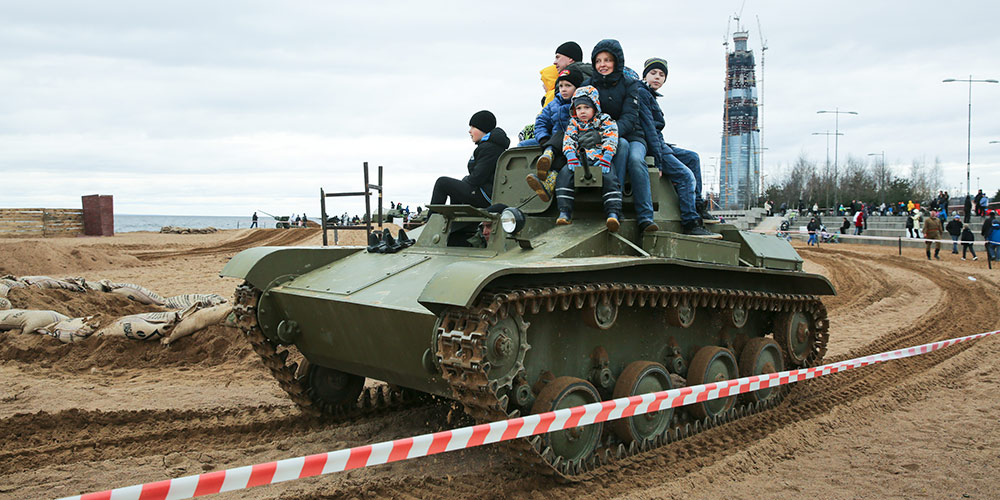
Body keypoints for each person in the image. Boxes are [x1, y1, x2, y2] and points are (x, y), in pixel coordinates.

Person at [581, 39, 660, 234]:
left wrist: (606, 135)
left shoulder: (630, 85)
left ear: (617, 61)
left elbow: (630, 117)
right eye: (598, 61)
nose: (603, 65)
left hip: (632, 135)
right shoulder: (588, 86)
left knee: (634, 158)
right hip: (597, 136)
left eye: (607, 60)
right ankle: (615, 208)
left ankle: (645, 216)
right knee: (620, 146)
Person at [640, 56, 715, 228]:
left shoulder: (650, 95)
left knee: (692, 158)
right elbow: (649, 130)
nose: (657, 77)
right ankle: (690, 222)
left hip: (661, 144)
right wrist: (658, 161)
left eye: (661, 74)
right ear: (645, 76)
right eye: (653, 73)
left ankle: (697, 205)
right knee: (685, 177)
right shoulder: (642, 93)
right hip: (653, 147)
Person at [553, 86, 622, 232]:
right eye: (578, 108)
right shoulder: (574, 123)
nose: (582, 111)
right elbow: (569, 140)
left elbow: (611, 137)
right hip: (579, 160)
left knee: (610, 178)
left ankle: (612, 213)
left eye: (586, 107)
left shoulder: (605, 120)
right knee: (564, 175)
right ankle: (565, 212)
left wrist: (607, 157)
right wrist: (571, 156)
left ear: (595, 106)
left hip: (601, 159)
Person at [430, 110, 509, 208]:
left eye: (473, 127)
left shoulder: (489, 148)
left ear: (482, 128)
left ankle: (432, 219)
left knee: (442, 183)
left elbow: (478, 177)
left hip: (485, 195)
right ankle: (454, 220)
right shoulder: (490, 146)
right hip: (484, 192)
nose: (470, 131)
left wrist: (464, 182)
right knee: (457, 187)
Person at [526, 67, 584, 201]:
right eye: (561, 85)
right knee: (555, 137)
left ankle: (549, 167)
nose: (563, 89)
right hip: (555, 142)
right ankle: (548, 161)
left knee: (563, 141)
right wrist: (544, 138)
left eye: (568, 86)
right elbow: (541, 122)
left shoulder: (582, 103)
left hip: (576, 142)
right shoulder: (554, 104)